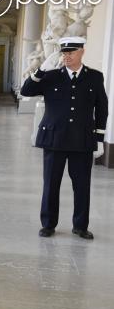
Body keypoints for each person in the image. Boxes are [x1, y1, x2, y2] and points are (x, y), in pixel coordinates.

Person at [21, 36, 108, 240]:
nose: (67, 56)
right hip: (54, 139)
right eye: (64, 52)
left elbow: (102, 108)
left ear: (82, 52)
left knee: (82, 185)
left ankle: (80, 226)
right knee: (51, 184)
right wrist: (41, 69)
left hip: (82, 140)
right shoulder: (50, 76)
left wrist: (99, 138)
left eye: (71, 52)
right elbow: (26, 90)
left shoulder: (95, 77)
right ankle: (48, 224)